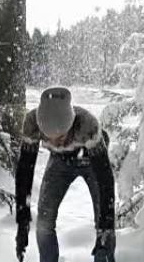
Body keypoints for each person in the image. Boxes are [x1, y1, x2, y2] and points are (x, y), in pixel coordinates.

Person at [15, 87, 115, 262]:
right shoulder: (32, 124)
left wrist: (106, 226)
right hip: (59, 161)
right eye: (49, 137)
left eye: (60, 137)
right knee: (44, 222)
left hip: (91, 160)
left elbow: (105, 179)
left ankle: (105, 255)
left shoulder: (87, 125)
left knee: (103, 222)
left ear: (71, 125)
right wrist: (22, 221)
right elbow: (25, 170)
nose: (54, 141)